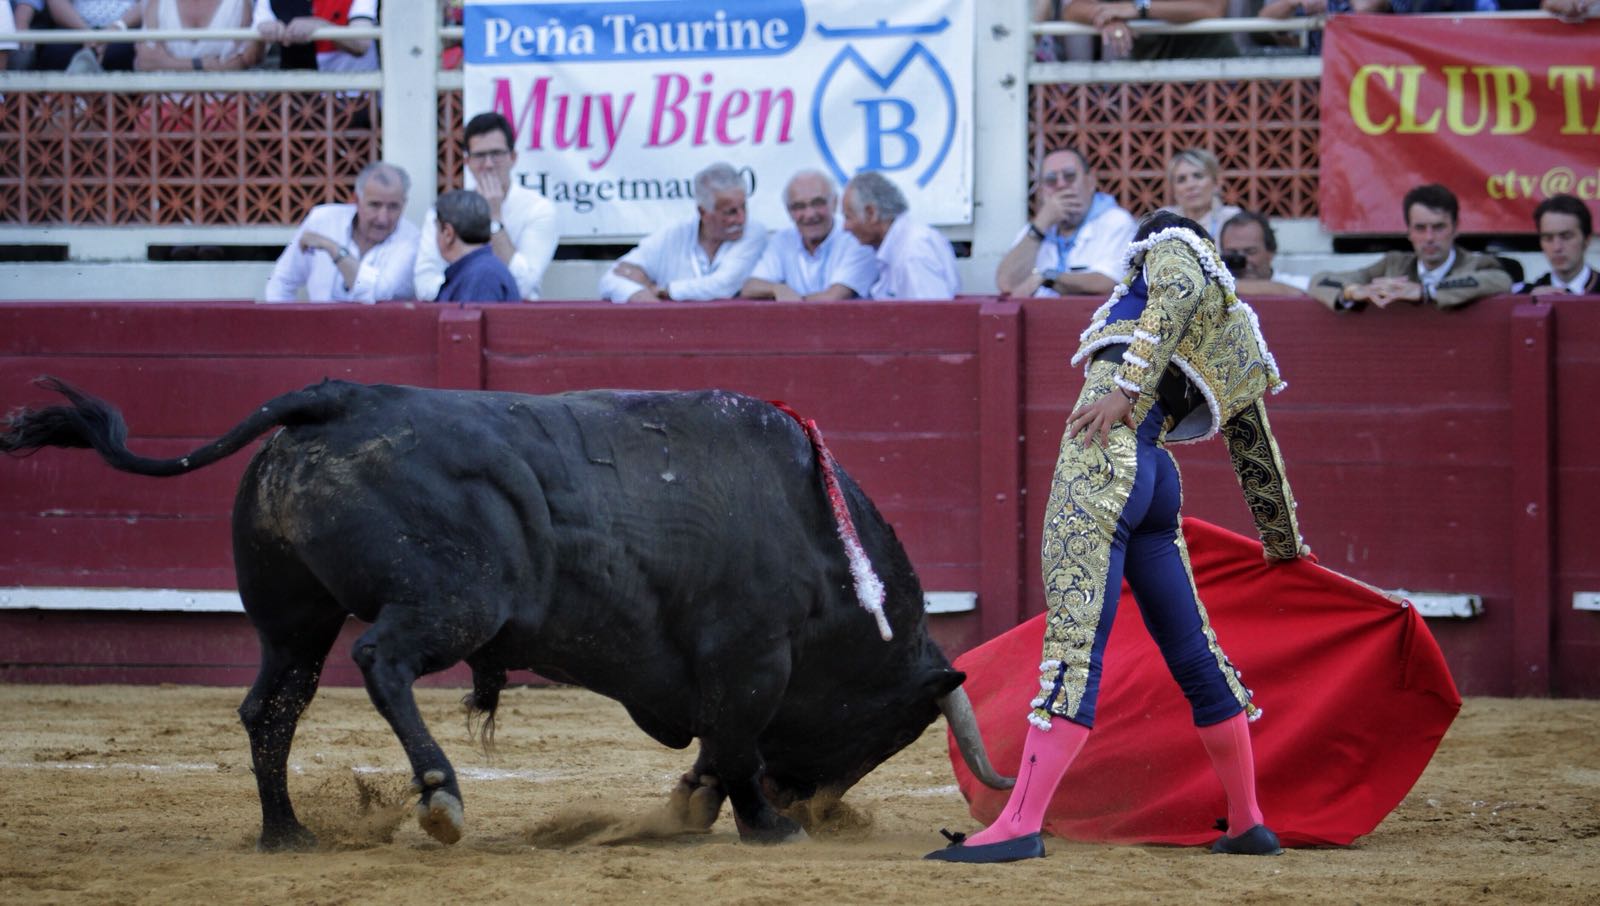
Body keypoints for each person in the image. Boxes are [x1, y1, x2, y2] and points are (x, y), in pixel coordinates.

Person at [926, 211, 1308, 864]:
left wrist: (1127, 391)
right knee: (1195, 654)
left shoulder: (1173, 251)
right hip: (1156, 476)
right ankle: (1247, 820)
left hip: (1105, 455)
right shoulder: (1235, 326)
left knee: (1075, 643)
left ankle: (1021, 824)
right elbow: (1254, 444)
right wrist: (1283, 541)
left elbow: (1177, 287)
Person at [415, 112, 559, 301]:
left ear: (513, 157)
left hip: (516, 319)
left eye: (497, 154)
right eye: (480, 155)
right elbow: (424, 284)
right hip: (455, 313)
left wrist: (494, 218)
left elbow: (524, 285)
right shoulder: (444, 209)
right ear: (467, 161)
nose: (489, 164)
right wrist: (473, 286)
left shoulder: (539, 209)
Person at [1308, 184, 1512, 311]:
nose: (1429, 238)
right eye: (1420, 228)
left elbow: (1501, 281)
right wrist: (1353, 291)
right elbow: (1319, 281)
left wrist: (1426, 291)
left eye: (1438, 227)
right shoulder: (1394, 264)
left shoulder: (1476, 264)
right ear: (1409, 232)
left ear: (1456, 228)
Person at [597, 162, 767, 303]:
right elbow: (612, 277)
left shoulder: (754, 232)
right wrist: (642, 295)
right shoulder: (674, 234)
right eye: (730, 212)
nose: (741, 218)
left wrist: (665, 290)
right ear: (703, 212)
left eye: (744, 207)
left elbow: (723, 285)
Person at [263, 160, 419, 303]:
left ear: (404, 204)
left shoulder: (412, 239)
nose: (383, 218)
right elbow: (282, 281)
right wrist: (289, 327)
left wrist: (334, 249)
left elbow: (377, 293)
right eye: (375, 205)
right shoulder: (322, 220)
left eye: (393, 207)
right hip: (320, 329)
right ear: (356, 200)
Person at [995, 147, 1137, 298]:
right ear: (1043, 191)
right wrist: (1040, 225)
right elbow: (1006, 284)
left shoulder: (1116, 221)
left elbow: (1110, 282)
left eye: (1069, 176)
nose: (1061, 185)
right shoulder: (1035, 228)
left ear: (1090, 182)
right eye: (1051, 180)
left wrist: (1048, 278)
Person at [739, 169, 876, 301]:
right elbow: (750, 286)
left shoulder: (857, 238)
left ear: (834, 203)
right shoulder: (782, 239)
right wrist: (777, 288)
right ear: (789, 211)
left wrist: (791, 301)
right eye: (799, 206)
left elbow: (832, 298)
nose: (809, 214)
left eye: (818, 203)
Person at [840, 170, 961, 300]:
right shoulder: (902, 244)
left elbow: (932, 315)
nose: (845, 227)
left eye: (848, 217)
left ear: (871, 213)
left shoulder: (913, 251)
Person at [1058, 0, 1238, 61]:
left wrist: (1140, 8)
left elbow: (1212, 7)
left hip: (1210, 70)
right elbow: (1072, 9)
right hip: (1149, 84)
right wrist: (1108, 18)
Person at [431, 189, 519, 303]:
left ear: (448, 233)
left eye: (437, 228)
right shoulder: (482, 270)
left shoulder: (481, 276)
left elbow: (466, 320)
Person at [135, 0, 258, 71]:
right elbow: (145, 62)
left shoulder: (240, 3)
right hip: (165, 103)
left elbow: (242, 63)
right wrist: (202, 64)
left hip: (224, 105)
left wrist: (167, 62)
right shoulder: (157, 2)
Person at [252, 0, 375, 72]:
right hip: (297, 98)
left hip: (352, 97)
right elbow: (253, 55)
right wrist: (264, 32)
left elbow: (361, 44)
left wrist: (322, 26)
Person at [1218, 211, 1310, 297]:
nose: (1241, 259)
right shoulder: (1211, 290)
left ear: (1271, 252)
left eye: (1250, 252)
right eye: (1232, 253)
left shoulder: (1300, 284)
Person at [1160, 148, 1242, 241]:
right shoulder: (1163, 221)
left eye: (1198, 176)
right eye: (1181, 180)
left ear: (1216, 182)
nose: (1190, 185)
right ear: (1173, 189)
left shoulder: (1232, 219)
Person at [1526, 194, 1598, 296]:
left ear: (1587, 240)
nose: (1557, 247)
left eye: (1566, 236)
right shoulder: (1526, 295)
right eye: (1548, 238)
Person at [38, 0, 141, 71]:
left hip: (126, 26)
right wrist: (86, 33)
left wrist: (116, 28)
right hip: (75, 26)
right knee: (57, 51)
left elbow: (149, 3)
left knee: (119, 54)